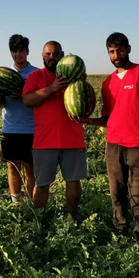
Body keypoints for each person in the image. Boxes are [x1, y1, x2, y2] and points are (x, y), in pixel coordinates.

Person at [77, 32, 139, 240]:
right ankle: (121, 230)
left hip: (138, 145)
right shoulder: (108, 83)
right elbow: (108, 117)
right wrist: (90, 121)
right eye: (112, 52)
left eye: (120, 50)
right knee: (117, 193)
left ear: (128, 49)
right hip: (114, 145)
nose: (116, 55)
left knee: (138, 195)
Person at [22, 41, 87, 220]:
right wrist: (52, 88)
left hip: (72, 139)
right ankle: (39, 219)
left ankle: (72, 218)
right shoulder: (36, 76)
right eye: (48, 54)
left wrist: (82, 84)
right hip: (45, 141)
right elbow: (27, 100)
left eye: (56, 54)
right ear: (42, 56)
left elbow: (86, 102)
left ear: (62, 55)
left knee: (73, 181)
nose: (52, 57)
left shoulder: (74, 77)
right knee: (42, 184)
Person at [0, 34, 38, 203]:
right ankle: (16, 203)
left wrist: (25, 94)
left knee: (31, 170)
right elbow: (0, 104)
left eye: (21, 50)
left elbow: (40, 99)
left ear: (27, 52)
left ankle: (30, 202)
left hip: (31, 129)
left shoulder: (36, 74)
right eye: (14, 51)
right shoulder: (3, 74)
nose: (17, 54)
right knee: (12, 168)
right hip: (10, 128)